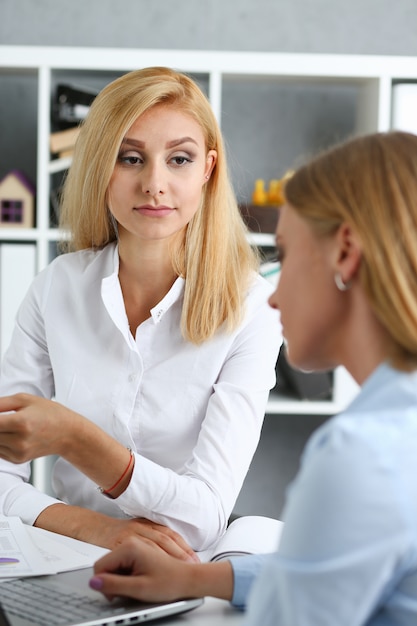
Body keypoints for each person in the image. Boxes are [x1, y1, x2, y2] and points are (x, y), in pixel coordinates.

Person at [89, 130, 417, 625]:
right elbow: (323, 574)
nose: (273, 296)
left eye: (285, 255)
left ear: (345, 251)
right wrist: (194, 578)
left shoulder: (364, 452)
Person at [0, 67, 281, 559]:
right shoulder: (56, 288)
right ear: (99, 167)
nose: (155, 183)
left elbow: (202, 515)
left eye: (179, 159)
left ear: (208, 170)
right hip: (68, 551)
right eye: (130, 158)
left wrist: (75, 437)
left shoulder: (251, 308)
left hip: (187, 566)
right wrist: (93, 528)